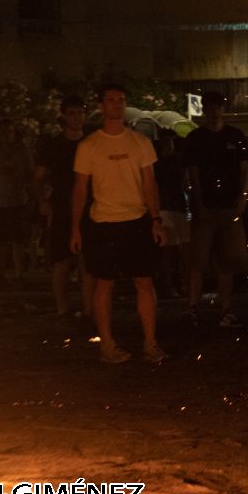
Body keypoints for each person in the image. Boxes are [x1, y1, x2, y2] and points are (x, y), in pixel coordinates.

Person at [70, 84, 165, 364]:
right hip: (104, 223)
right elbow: (79, 189)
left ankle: (150, 342)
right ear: (102, 105)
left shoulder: (140, 142)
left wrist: (155, 219)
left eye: (121, 100)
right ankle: (107, 345)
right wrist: (75, 228)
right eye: (111, 100)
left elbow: (150, 183)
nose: (116, 105)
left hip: (136, 220)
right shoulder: (89, 146)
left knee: (144, 282)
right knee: (104, 283)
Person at [179, 91, 248, 327]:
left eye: (217, 107)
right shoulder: (195, 138)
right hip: (206, 207)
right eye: (210, 107)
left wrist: (242, 197)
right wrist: (198, 202)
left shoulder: (236, 136)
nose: (214, 112)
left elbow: (244, 170)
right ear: (205, 109)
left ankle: (226, 308)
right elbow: (193, 172)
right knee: (197, 261)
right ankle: (192, 307)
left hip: (229, 207)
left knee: (227, 260)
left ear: (223, 108)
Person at [35, 97, 94, 319]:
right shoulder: (53, 145)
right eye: (72, 113)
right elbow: (38, 177)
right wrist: (42, 201)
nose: (76, 117)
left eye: (80, 113)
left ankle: (88, 310)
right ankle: (63, 308)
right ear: (64, 116)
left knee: (87, 262)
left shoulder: (91, 143)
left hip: (89, 207)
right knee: (61, 261)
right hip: (62, 207)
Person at [0, 119, 34, 288]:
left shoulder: (22, 151)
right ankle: (0, 274)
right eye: (4, 132)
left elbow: (31, 173)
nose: (8, 136)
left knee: (18, 240)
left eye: (11, 132)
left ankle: (18, 274)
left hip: (18, 199)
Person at [153, 129, 191, 300]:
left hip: (177, 207)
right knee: (170, 250)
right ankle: (169, 285)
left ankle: (180, 284)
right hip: (167, 207)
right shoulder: (159, 163)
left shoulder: (174, 161)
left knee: (180, 249)